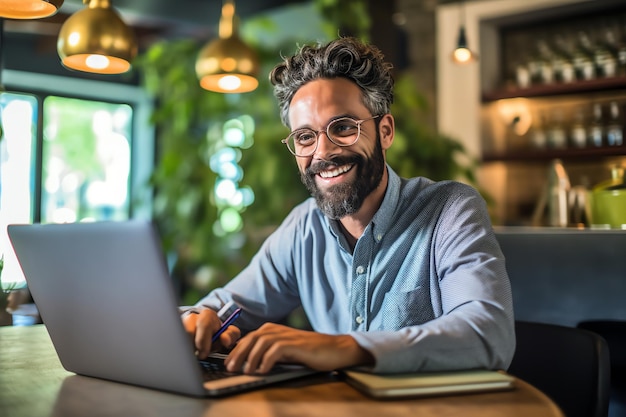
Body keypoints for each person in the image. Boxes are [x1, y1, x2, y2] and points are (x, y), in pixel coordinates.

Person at [183, 36, 515, 375]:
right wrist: (197, 320)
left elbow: (488, 334)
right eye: (305, 137)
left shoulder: (450, 210)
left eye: (343, 128)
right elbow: (225, 307)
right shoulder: (303, 228)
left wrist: (343, 347)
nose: (322, 153)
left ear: (385, 132)